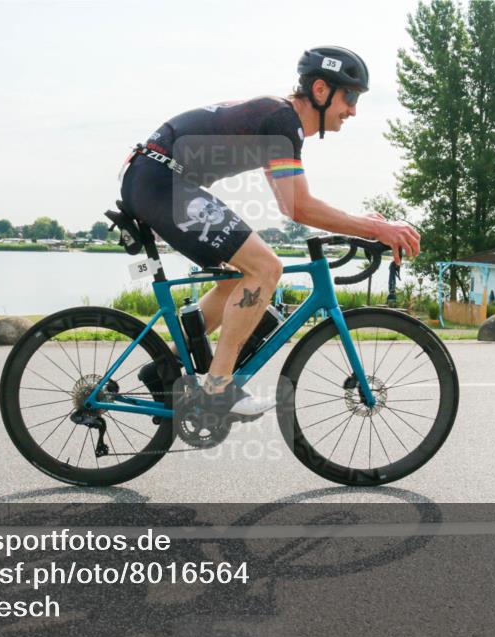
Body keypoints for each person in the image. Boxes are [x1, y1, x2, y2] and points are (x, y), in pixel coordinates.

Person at [119, 46, 421, 419]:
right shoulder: (281, 120)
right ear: (322, 90)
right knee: (265, 268)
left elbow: (293, 201)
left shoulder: (277, 120)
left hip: (156, 179)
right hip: (162, 182)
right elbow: (297, 207)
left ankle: (164, 366)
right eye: (351, 96)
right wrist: (375, 227)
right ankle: (218, 389)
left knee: (237, 281)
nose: (354, 109)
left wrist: (364, 222)